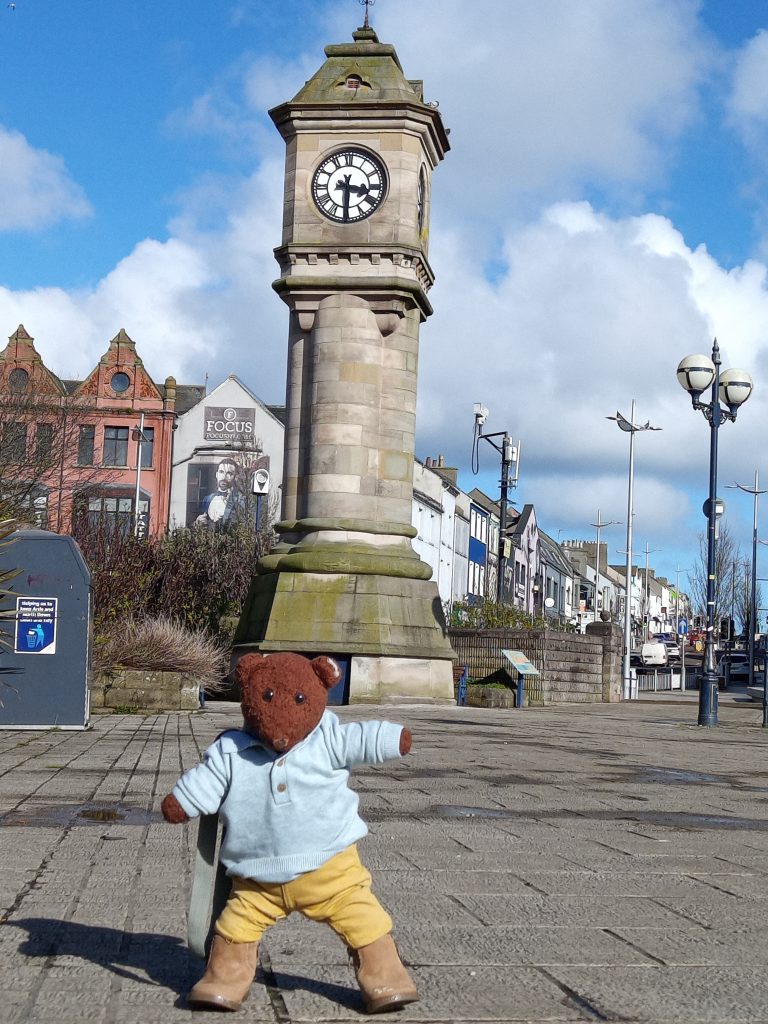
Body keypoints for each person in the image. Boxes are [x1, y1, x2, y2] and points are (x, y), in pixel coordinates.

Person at [195, 458, 245, 528]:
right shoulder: (208, 499)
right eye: (221, 472)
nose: (224, 477)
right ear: (216, 474)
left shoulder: (240, 500)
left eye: (229, 473)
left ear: (235, 477)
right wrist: (198, 522)